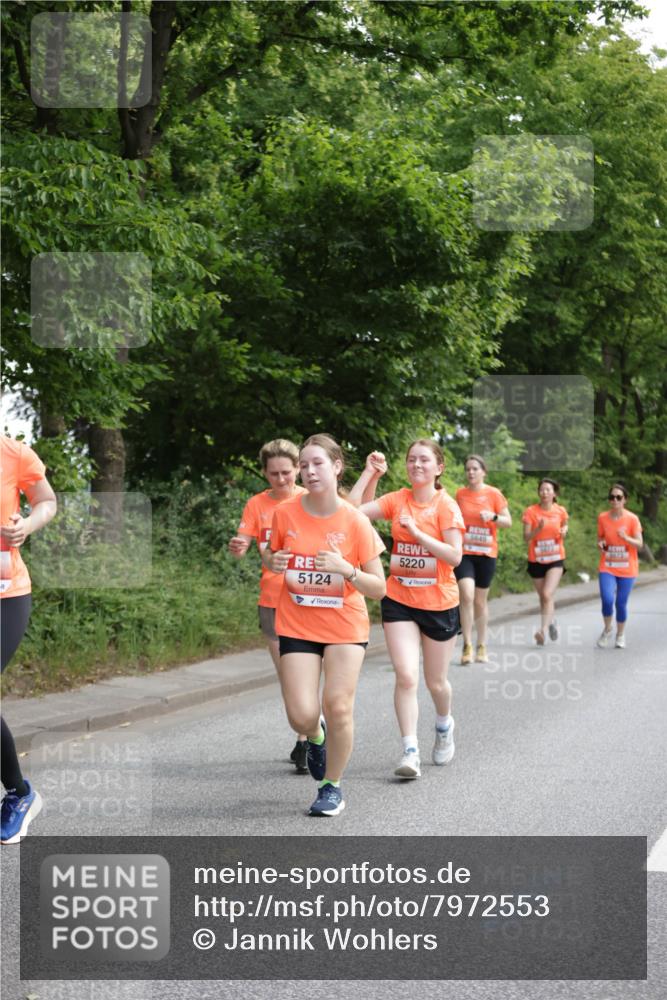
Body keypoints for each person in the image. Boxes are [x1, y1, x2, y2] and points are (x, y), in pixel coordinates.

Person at [263, 434, 385, 816]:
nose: (309, 471)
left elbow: (379, 588)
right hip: (298, 623)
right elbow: (270, 554)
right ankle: (315, 737)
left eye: (318, 463)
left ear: (336, 467)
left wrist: (346, 569)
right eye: (305, 465)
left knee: (338, 705)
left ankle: (331, 786)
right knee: (300, 714)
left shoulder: (355, 520)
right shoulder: (285, 513)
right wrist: (273, 562)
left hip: (344, 626)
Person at [349, 440, 464, 780]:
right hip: (399, 598)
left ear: (438, 468)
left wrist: (418, 535)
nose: (416, 465)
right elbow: (354, 512)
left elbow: (455, 557)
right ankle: (410, 750)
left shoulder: (447, 506)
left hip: (440, 603)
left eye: (424, 460)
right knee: (406, 675)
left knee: (436, 682)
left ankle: (444, 725)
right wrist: (371, 473)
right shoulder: (398, 499)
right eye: (411, 459)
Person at [229, 439, 309, 771]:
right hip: (272, 600)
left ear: (298, 470)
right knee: (288, 676)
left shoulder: (309, 499)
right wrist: (238, 546)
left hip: (308, 599)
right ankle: (307, 735)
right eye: (274, 474)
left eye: (287, 473)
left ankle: (307, 741)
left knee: (308, 672)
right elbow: (246, 540)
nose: (281, 480)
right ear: (264, 472)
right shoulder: (256, 504)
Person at [1, 436, 57, 844]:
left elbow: (47, 502)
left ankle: (20, 795)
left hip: (6, 595)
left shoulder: (13, 452)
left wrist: (26, 526)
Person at [455, 455, 511, 664]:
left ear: (483, 472)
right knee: (466, 595)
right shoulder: (460, 494)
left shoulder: (494, 494)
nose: (471, 472)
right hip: (465, 553)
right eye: (468, 469)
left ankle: (482, 644)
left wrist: (494, 517)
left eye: (475, 469)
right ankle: (467, 644)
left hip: (487, 554)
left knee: (480, 601)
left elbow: (508, 521)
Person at [521, 479, 568, 646]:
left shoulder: (560, 511)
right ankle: (551, 621)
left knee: (547, 594)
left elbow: (564, 527)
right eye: (542, 489)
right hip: (537, 559)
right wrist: (538, 529)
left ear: (554, 493)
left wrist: (564, 531)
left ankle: (542, 631)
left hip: (556, 558)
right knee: (543, 597)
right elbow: (526, 537)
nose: (545, 492)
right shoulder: (531, 512)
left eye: (548, 490)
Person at [596, 484, 643, 649]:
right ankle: (608, 629)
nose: (614, 500)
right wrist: (600, 543)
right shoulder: (602, 517)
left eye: (618, 497)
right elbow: (600, 538)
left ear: (625, 500)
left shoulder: (632, 519)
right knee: (607, 599)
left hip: (627, 567)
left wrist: (626, 538)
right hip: (608, 565)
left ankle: (620, 634)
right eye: (612, 497)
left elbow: (640, 544)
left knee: (620, 603)